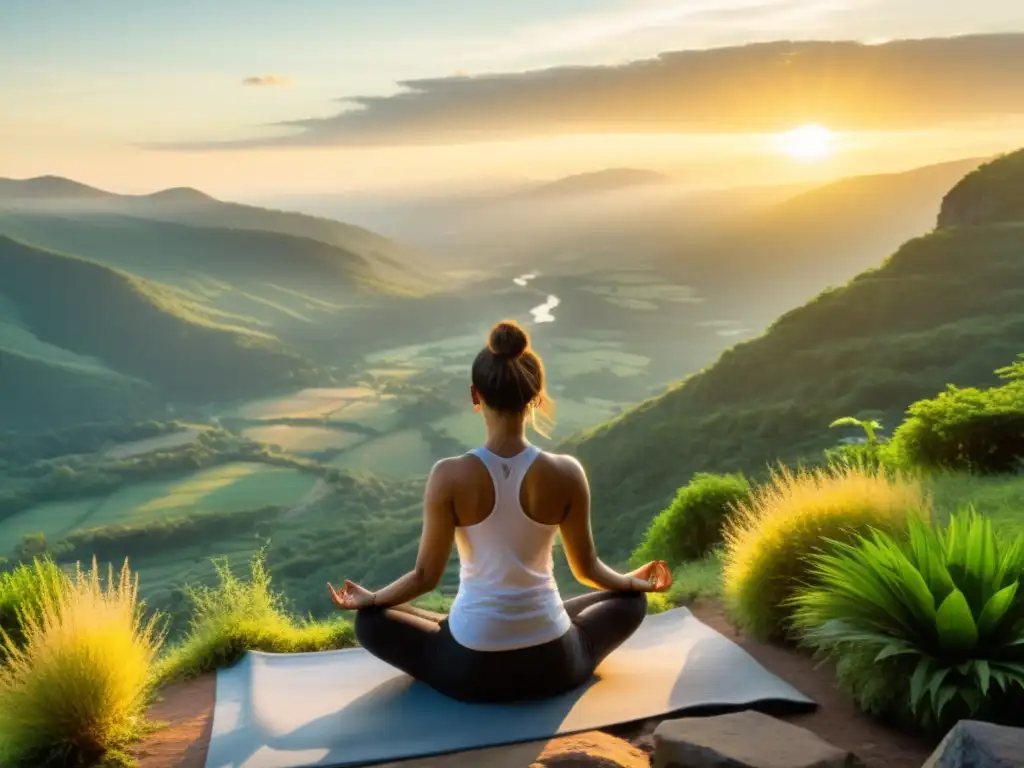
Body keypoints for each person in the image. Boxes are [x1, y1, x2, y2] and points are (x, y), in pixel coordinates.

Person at [327, 319, 671, 704]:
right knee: (629, 601)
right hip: (555, 665)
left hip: (470, 670)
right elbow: (587, 571)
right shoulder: (567, 472)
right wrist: (630, 583)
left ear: (476, 396)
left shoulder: (449, 475)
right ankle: (550, 632)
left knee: (372, 622)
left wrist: (371, 599)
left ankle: (451, 629)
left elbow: (425, 577)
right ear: (536, 396)